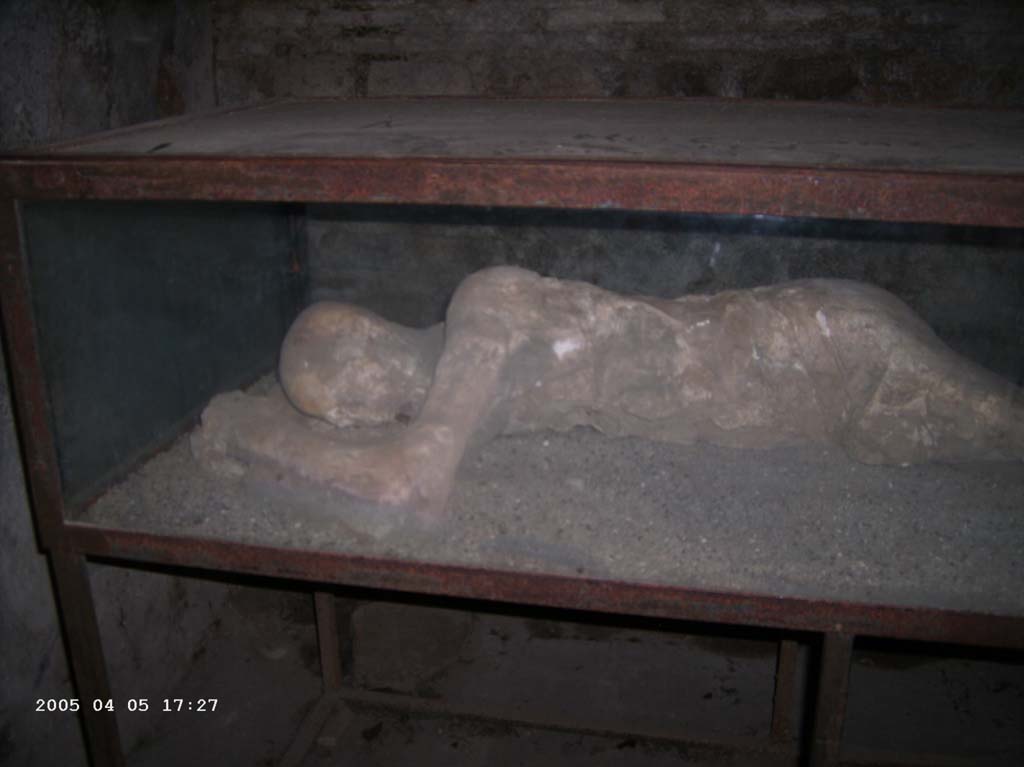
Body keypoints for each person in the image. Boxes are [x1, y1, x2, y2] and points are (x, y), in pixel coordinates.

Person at [194, 267, 1023, 525]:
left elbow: (407, 489)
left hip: (817, 354)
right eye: (343, 416)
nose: (358, 420)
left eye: (343, 405)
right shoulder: (473, 368)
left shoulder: (481, 316)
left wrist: (246, 429)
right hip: (813, 397)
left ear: (367, 350)